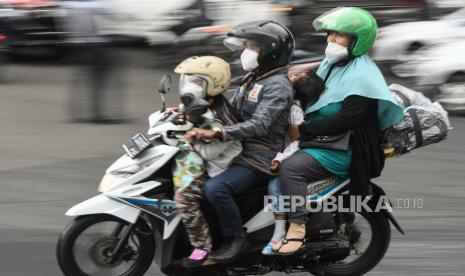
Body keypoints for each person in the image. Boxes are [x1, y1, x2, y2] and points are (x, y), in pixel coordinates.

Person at [273, 7, 404, 255]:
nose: (331, 39)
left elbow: (345, 120)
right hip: (323, 139)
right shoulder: (333, 63)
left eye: (339, 35)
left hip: (344, 147)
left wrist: (302, 130)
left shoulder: (363, 76)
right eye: (330, 33)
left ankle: (297, 230)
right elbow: (314, 91)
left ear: (358, 40)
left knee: (292, 168)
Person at [185, 20, 295, 262]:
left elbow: (259, 124)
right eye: (246, 45)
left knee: (216, 188)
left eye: (253, 46)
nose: (247, 51)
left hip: (260, 157)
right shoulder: (254, 78)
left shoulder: (277, 85)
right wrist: (190, 111)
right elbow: (228, 110)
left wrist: (216, 133)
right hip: (240, 149)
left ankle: (236, 238)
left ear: (270, 51)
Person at [171, 56, 242, 267]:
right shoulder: (201, 104)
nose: (190, 86)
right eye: (189, 80)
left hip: (215, 167)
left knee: (184, 199)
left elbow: (210, 153)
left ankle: (202, 246)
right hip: (199, 161)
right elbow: (191, 117)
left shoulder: (222, 117)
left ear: (213, 85)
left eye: (197, 82)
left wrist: (191, 137)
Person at [262, 70, 326, 255]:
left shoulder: (294, 110)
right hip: (279, 150)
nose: (295, 73)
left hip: (292, 154)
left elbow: (296, 142)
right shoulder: (277, 89)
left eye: (300, 76)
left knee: (275, 186)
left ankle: (280, 232)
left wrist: (278, 159)